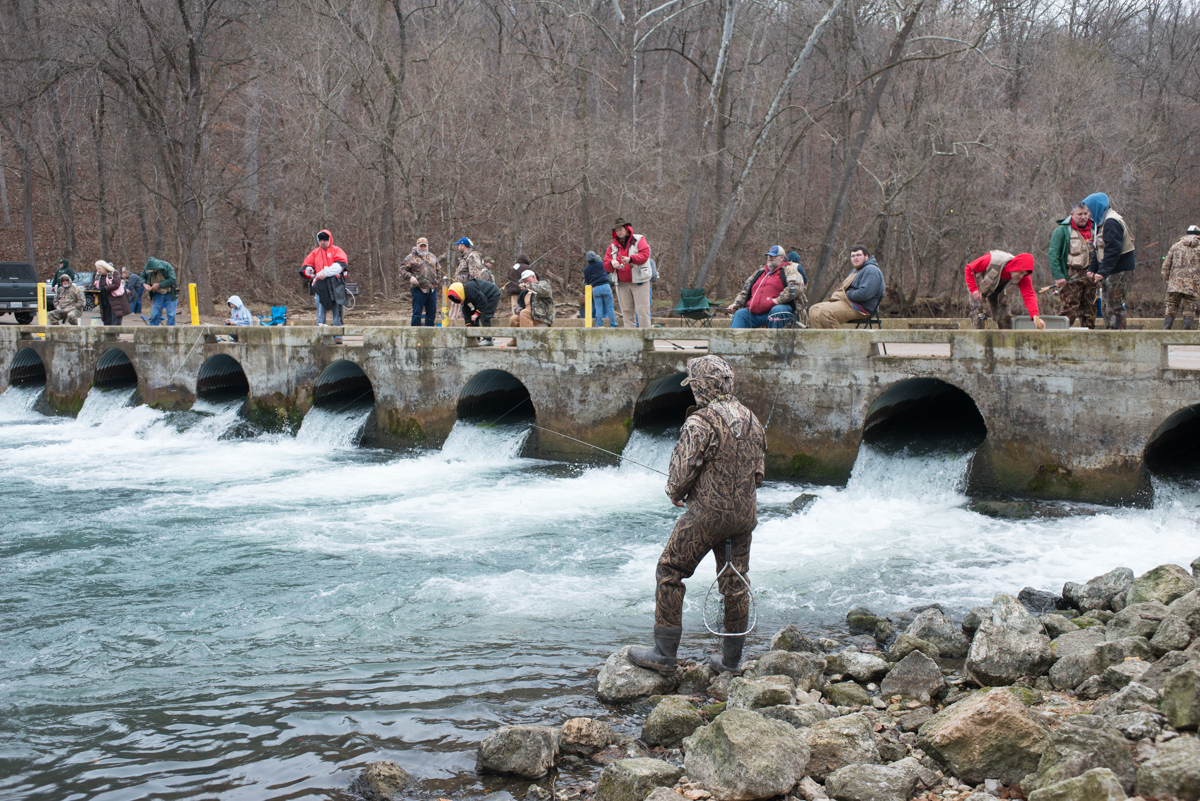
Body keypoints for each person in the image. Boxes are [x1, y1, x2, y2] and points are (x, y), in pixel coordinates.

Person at [628, 355, 766, 675]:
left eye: (693, 386)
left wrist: (676, 493)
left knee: (670, 569)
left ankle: (664, 654)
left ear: (701, 386)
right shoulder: (752, 419)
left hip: (706, 516)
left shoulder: (699, 422)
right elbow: (758, 474)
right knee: (735, 582)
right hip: (745, 515)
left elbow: (680, 475)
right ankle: (731, 661)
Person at [1082, 192, 1136, 329]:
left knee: (1115, 306)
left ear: (1096, 207)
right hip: (1109, 270)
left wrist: (1102, 271)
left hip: (1118, 271)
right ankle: (1110, 335)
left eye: (1088, 211)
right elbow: (1097, 249)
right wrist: (1092, 269)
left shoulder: (1111, 222)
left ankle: (1119, 339)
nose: (1088, 214)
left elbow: (1113, 250)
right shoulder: (1101, 222)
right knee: (1106, 306)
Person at [727, 245, 808, 329]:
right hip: (755, 312)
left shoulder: (789, 270)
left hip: (779, 310)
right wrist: (736, 303)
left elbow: (796, 287)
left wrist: (777, 300)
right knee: (740, 314)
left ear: (782, 258)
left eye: (773, 256)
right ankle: (733, 341)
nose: (770, 258)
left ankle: (774, 341)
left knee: (776, 311)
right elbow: (746, 289)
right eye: (769, 256)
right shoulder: (760, 272)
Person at [964, 251, 1045, 330]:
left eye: (1024, 274)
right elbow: (969, 268)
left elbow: (1029, 295)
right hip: (979, 286)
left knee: (1005, 316)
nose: (1021, 276)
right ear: (1016, 266)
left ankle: (1006, 341)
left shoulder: (1024, 277)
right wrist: (974, 290)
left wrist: (1035, 316)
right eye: (1021, 272)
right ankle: (978, 339)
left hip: (999, 293)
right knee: (978, 311)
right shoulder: (992, 260)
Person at [1049, 202, 1099, 328]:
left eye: (1085, 214)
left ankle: (1089, 338)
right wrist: (1058, 275)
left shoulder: (1095, 228)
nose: (1083, 217)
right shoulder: (1062, 230)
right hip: (1071, 276)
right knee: (1070, 308)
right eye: (1079, 214)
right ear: (1072, 215)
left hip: (1091, 276)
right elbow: (1053, 254)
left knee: (1090, 309)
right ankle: (1059, 336)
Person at [808, 246, 885, 329]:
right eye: (853, 256)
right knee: (814, 310)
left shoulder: (871, 270)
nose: (855, 258)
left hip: (861, 308)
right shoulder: (855, 271)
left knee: (825, 312)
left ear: (866, 256)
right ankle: (824, 340)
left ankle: (838, 341)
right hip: (848, 303)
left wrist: (846, 294)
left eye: (858, 255)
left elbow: (865, 294)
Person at [603, 217, 653, 329]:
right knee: (626, 312)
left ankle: (646, 340)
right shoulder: (612, 246)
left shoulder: (639, 239)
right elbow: (606, 263)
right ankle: (630, 340)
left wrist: (631, 259)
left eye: (620, 229)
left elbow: (645, 255)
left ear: (626, 229)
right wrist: (612, 262)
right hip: (622, 283)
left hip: (639, 281)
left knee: (642, 311)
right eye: (616, 230)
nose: (619, 232)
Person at [301, 229, 349, 326]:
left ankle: (337, 335)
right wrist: (309, 270)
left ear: (329, 240)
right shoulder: (315, 253)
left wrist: (325, 272)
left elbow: (340, 266)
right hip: (320, 286)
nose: (322, 242)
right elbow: (306, 266)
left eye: (325, 240)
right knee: (320, 311)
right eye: (321, 240)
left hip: (335, 285)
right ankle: (321, 334)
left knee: (337, 311)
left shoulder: (337, 251)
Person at [1161, 225, 1200, 330]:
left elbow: (1166, 266)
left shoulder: (1176, 245)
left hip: (1175, 283)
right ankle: (1185, 333)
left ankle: (1166, 331)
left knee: (1171, 307)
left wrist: (1168, 280)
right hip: (1193, 284)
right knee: (1189, 308)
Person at [399, 237, 441, 327]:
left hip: (432, 290)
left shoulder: (432, 257)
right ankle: (416, 337)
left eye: (424, 246)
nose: (423, 248)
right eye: (421, 246)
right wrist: (410, 277)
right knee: (417, 313)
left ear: (427, 246)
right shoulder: (411, 257)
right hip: (418, 289)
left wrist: (437, 281)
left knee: (431, 314)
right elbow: (402, 270)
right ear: (417, 246)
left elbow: (438, 270)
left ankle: (429, 336)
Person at [447, 279, 500, 344]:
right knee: (473, 318)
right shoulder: (464, 298)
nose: (456, 298)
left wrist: (476, 314)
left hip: (492, 294)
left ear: (458, 292)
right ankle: (475, 338)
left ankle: (488, 339)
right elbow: (467, 314)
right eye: (454, 298)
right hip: (482, 299)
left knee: (484, 315)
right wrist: (469, 326)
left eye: (455, 296)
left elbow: (482, 301)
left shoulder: (470, 289)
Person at [141, 256, 179, 326]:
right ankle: (154, 333)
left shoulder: (166, 266)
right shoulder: (148, 268)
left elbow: (172, 279)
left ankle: (171, 333)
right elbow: (142, 276)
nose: (154, 270)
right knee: (154, 315)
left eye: (155, 269)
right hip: (158, 294)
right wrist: (144, 284)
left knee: (171, 315)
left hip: (170, 293)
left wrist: (159, 284)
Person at [584, 250, 617, 327]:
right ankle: (613, 324)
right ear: (595, 257)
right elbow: (608, 272)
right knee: (609, 307)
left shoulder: (586, 269)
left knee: (598, 308)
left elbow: (587, 281)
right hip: (606, 286)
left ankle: (599, 325)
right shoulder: (602, 264)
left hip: (596, 288)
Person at [94, 260, 130, 326]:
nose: (98, 270)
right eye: (97, 269)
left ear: (105, 267)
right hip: (104, 301)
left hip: (115, 300)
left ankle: (116, 334)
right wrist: (94, 290)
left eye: (100, 268)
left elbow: (116, 284)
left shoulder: (114, 273)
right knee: (107, 320)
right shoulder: (98, 276)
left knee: (116, 319)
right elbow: (95, 285)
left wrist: (105, 288)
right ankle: (108, 335)